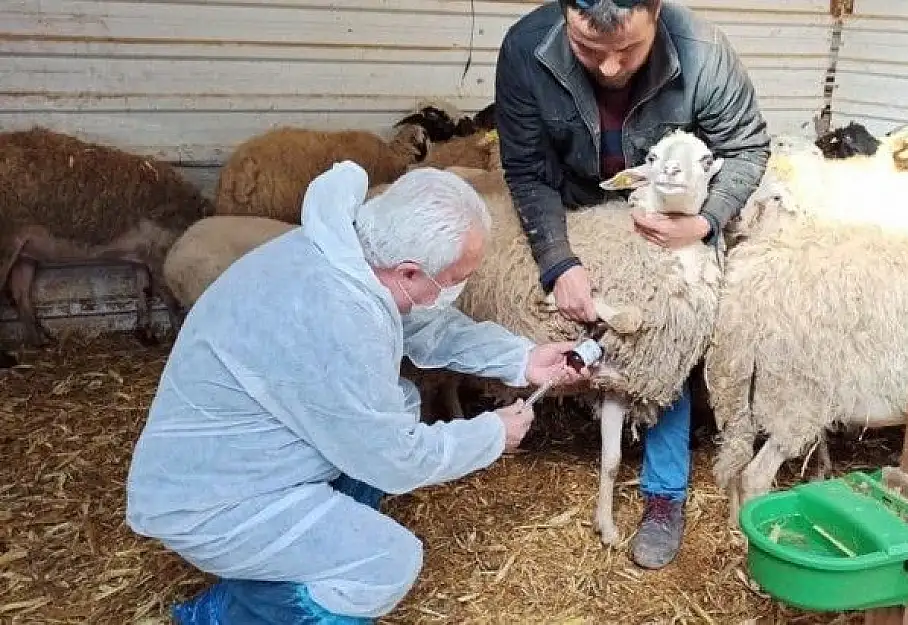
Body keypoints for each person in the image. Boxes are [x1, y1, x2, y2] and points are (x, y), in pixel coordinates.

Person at [125, 161, 591, 624]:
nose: (456, 289)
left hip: (240, 449)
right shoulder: (336, 315)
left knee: (402, 399)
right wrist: (491, 435)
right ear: (409, 272)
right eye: (453, 281)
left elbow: (420, 322)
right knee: (387, 563)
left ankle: (274, 574)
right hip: (216, 499)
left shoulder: (345, 250)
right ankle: (238, 616)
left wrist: (520, 358)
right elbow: (394, 459)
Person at [494, 0, 771, 569]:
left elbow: (747, 147)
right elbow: (526, 168)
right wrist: (557, 260)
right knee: (566, 319)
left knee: (667, 340)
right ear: (568, 11)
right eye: (590, 50)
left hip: (670, 214)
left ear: (656, 9)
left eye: (630, 49)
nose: (612, 68)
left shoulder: (704, 53)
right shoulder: (526, 49)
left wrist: (706, 219)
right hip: (578, 206)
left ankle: (664, 494)